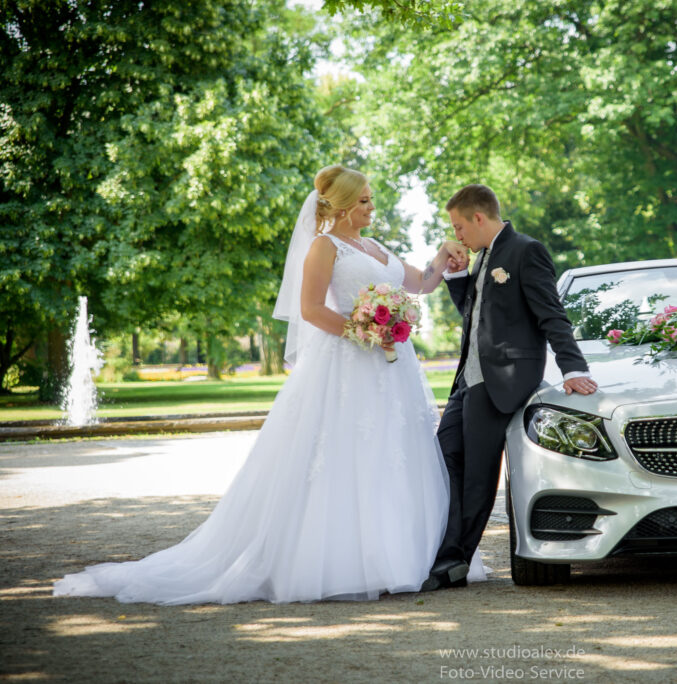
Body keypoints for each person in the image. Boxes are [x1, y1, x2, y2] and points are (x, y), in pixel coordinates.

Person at [53, 164, 478, 604]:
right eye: (365, 200)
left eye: (371, 199)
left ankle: (401, 559)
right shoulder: (323, 247)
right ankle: (344, 563)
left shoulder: (372, 246)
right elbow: (312, 310)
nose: (373, 206)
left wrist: (444, 256)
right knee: (345, 455)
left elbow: (422, 284)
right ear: (346, 205)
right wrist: (364, 330)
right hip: (349, 365)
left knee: (393, 453)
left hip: (391, 371)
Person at [421, 184, 598, 591]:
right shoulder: (481, 258)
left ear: (478, 218)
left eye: (459, 226)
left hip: (500, 381)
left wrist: (573, 369)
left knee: (478, 477)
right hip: (466, 381)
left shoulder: (525, 250)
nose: (457, 235)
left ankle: (453, 563)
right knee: (442, 461)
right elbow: (476, 316)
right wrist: (455, 275)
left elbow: (552, 314)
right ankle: (441, 549)